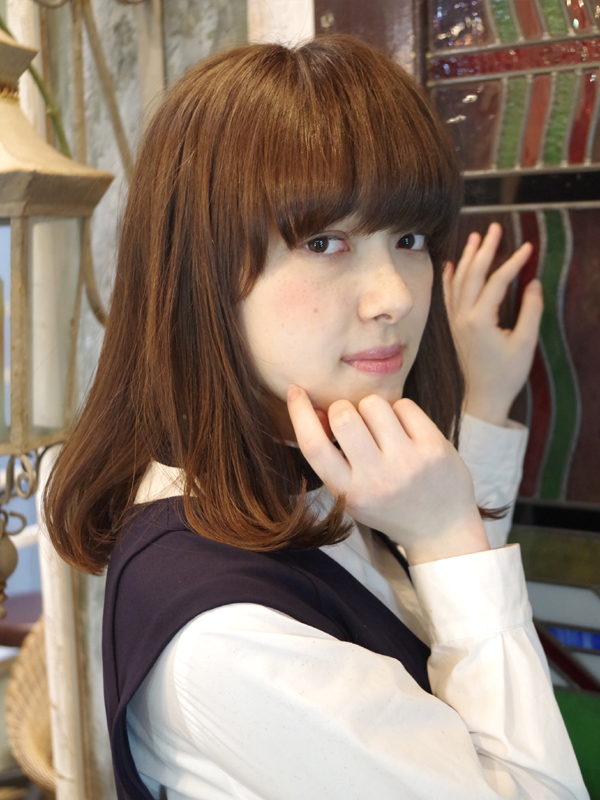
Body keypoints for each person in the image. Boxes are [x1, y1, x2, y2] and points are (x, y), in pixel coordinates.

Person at [43, 35, 589, 800]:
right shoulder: (229, 635)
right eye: (326, 241)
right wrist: (446, 537)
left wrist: (483, 413)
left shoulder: (297, 464)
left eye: (408, 239)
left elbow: (434, 625)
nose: (396, 296)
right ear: (203, 270)